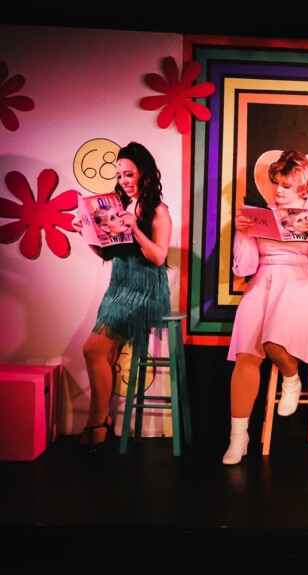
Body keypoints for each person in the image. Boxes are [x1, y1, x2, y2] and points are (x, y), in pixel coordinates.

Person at [222, 149, 308, 465]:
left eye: (286, 185)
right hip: (263, 281)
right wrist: (243, 233)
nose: (279, 191)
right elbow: (244, 267)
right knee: (246, 354)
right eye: (276, 183)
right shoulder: (262, 214)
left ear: (303, 185)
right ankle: (238, 437)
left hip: (305, 284)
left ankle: (291, 376)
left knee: (272, 341)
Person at [71, 141, 171, 455]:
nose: (123, 180)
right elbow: (106, 252)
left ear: (145, 173)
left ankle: (96, 424)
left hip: (146, 291)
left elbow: (158, 257)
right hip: (119, 288)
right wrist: (85, 233)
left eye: (129, 174)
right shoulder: (116, 205)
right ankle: (101, 423)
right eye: (119, 175)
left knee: (92, 349)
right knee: (101, 354)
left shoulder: (158, 210)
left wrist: (136, 230)